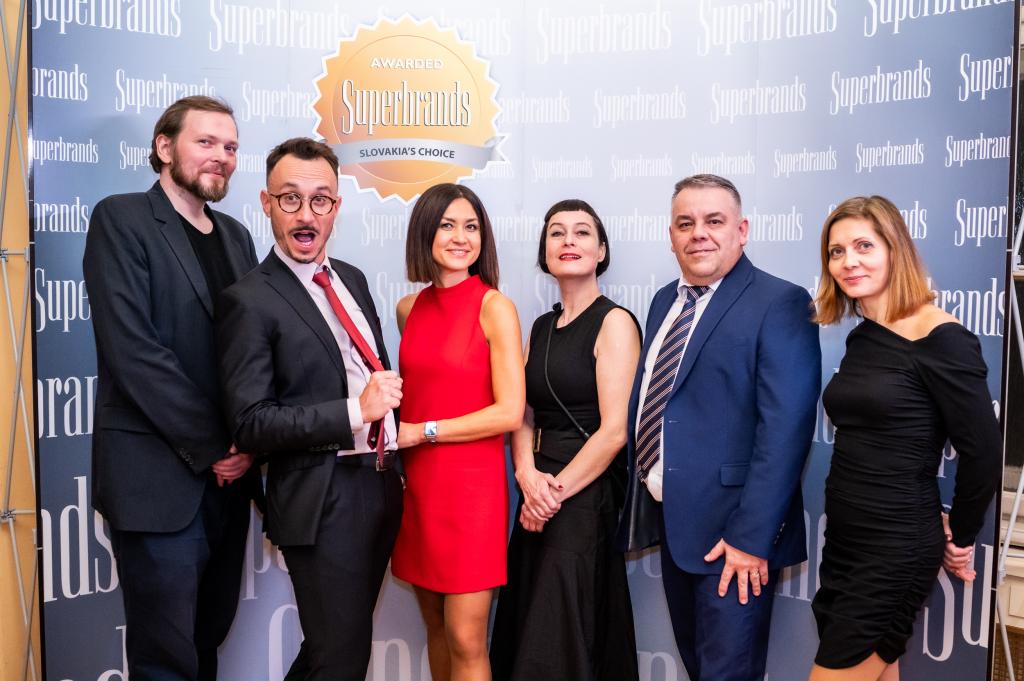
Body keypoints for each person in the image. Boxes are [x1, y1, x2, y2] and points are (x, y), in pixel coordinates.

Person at [616, 174, 821, 681]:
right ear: (671, 235)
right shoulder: (664, 301)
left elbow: (785, 433)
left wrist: (750, 539)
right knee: (699, 668)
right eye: (685, 223)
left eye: (714, 221)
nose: (699, 234)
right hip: (676, 528)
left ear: (741, 230)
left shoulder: (780, 302)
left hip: (735, 541)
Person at [82, 95, 259, 681]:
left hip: (229, 485)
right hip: (157, 482)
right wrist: (218, 446)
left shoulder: (236, 237)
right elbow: (135, 353)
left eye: (230, 146)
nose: (222, 156)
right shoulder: (122, 218)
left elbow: (249, 354)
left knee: (207, 643)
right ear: (164, 147)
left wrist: (249, 444)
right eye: (205, 142)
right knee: (165, 661)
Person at [216, 137, 404, 681]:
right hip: (323, 497)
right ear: (266, 203)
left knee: (334, 651)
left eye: (320, 199)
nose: (305, 214)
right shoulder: (248, 300)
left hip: (379, 483)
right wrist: (354, 411)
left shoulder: (352, 278)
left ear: (336, 206)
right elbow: (251, 422)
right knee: (341, 658)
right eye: (290, 198)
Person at [809, 196, 1002, 681]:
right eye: (836, 251)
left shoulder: (941, 337)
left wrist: (961, 533)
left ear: (894, 250)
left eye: (864, 246)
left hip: (894, 547)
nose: (848, 262)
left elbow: (982, 451)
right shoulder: (864, 336)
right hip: (846, 539)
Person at [489, 199, 641, 681]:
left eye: (581, 232)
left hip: (583, 496)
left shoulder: (614, 322)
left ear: (601, 250)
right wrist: (525, 475)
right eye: (557, 232)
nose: (568, 241)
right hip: (536, 490)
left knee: (559, 635)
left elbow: (614, 432)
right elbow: (522, 412)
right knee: (528, 624)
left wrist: (550, 495)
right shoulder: (540, 327)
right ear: (544, 251)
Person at [391, 182, 525, 681]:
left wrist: (423, 431)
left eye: (471, 227)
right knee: (436, 628)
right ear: (425, 232)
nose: (460, 237)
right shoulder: (408, 309)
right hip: (420, 490)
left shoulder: (494, 307)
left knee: (467, 638)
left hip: (473, 493)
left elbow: (509, 412)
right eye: (447, 225)